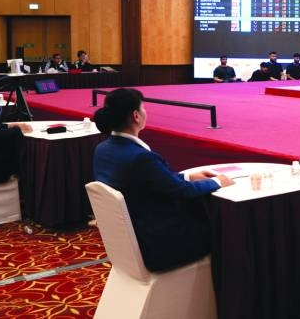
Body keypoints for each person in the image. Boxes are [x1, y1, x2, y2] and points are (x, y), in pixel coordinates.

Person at [92, 88, 234, 272]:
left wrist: (188, 176)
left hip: (128, 238)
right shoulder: (141, 158)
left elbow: (151, 181)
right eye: (143, 108)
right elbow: (181, 192)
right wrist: (217, 182)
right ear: (136, 115)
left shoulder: (102, 149)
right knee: (226, 232)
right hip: (159, 244)